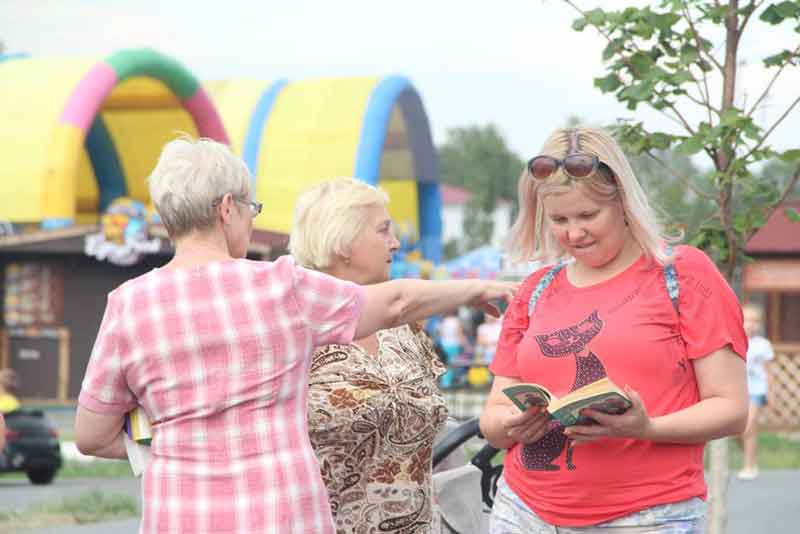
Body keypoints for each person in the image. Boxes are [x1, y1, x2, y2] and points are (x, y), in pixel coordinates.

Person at [74, 137, 516, 534]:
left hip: (178, 515)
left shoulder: (128, 304)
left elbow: (91, 434)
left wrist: (170, 440)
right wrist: (480, 289)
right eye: (251, 209)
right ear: (227, 208)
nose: (249, 220)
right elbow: (395, 302)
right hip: (283, 513)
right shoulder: (279, 286)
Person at [478, 127, 749, 533]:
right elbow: (492, 419)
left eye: (588, 215)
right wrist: (512, 425)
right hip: (523, 511)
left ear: (623, 201)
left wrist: (648, 429)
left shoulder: (683, 276)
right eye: (558, 219)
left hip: (646, 516)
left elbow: (731, 409)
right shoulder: (536, 290)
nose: (573, 233)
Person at [291, 178, 449, 533]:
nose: (395, 243)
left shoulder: (406, 327)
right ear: (344, 241)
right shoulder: (295, 330)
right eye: (383, 231)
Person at [737, 303, 775, 480]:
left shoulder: (763, 345)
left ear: (758, 324)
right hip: (739, 390)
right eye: (746, 320)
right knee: (739, 431)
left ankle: (749, 466)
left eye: (754, 321)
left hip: (757, 390)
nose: (750, 324)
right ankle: (750, 457)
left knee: (748, 426)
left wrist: (771, 393)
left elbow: (768, 372)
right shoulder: (735, 341)